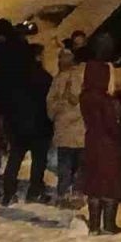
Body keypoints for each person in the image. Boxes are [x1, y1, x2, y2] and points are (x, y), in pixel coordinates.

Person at [2, 44, 54, 205]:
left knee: (15, 159)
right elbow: (49, 102)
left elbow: (8, 102)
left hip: (18, 126)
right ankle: (35, 191)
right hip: (40, 125)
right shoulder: (45, 78)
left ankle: (9, 192)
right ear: (38, 57)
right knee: (39, 161)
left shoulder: (15, 78)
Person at [80, 60, 121, 234]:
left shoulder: (85, 96)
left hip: (91, 141)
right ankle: (108, 224)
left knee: (94, 182)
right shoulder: (105, 100)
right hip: (107, 144)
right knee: (110, 183)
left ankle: (94, 225)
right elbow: (112, 126)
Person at [46, 47, 85, 207]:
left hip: (66, 130)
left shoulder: (60, 79)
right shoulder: (82, 77)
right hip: (78, 131)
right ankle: (75, 194)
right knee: (76, 165)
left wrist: (59, 111)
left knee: (66, 165)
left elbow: (51, 105)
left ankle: (64, 195)